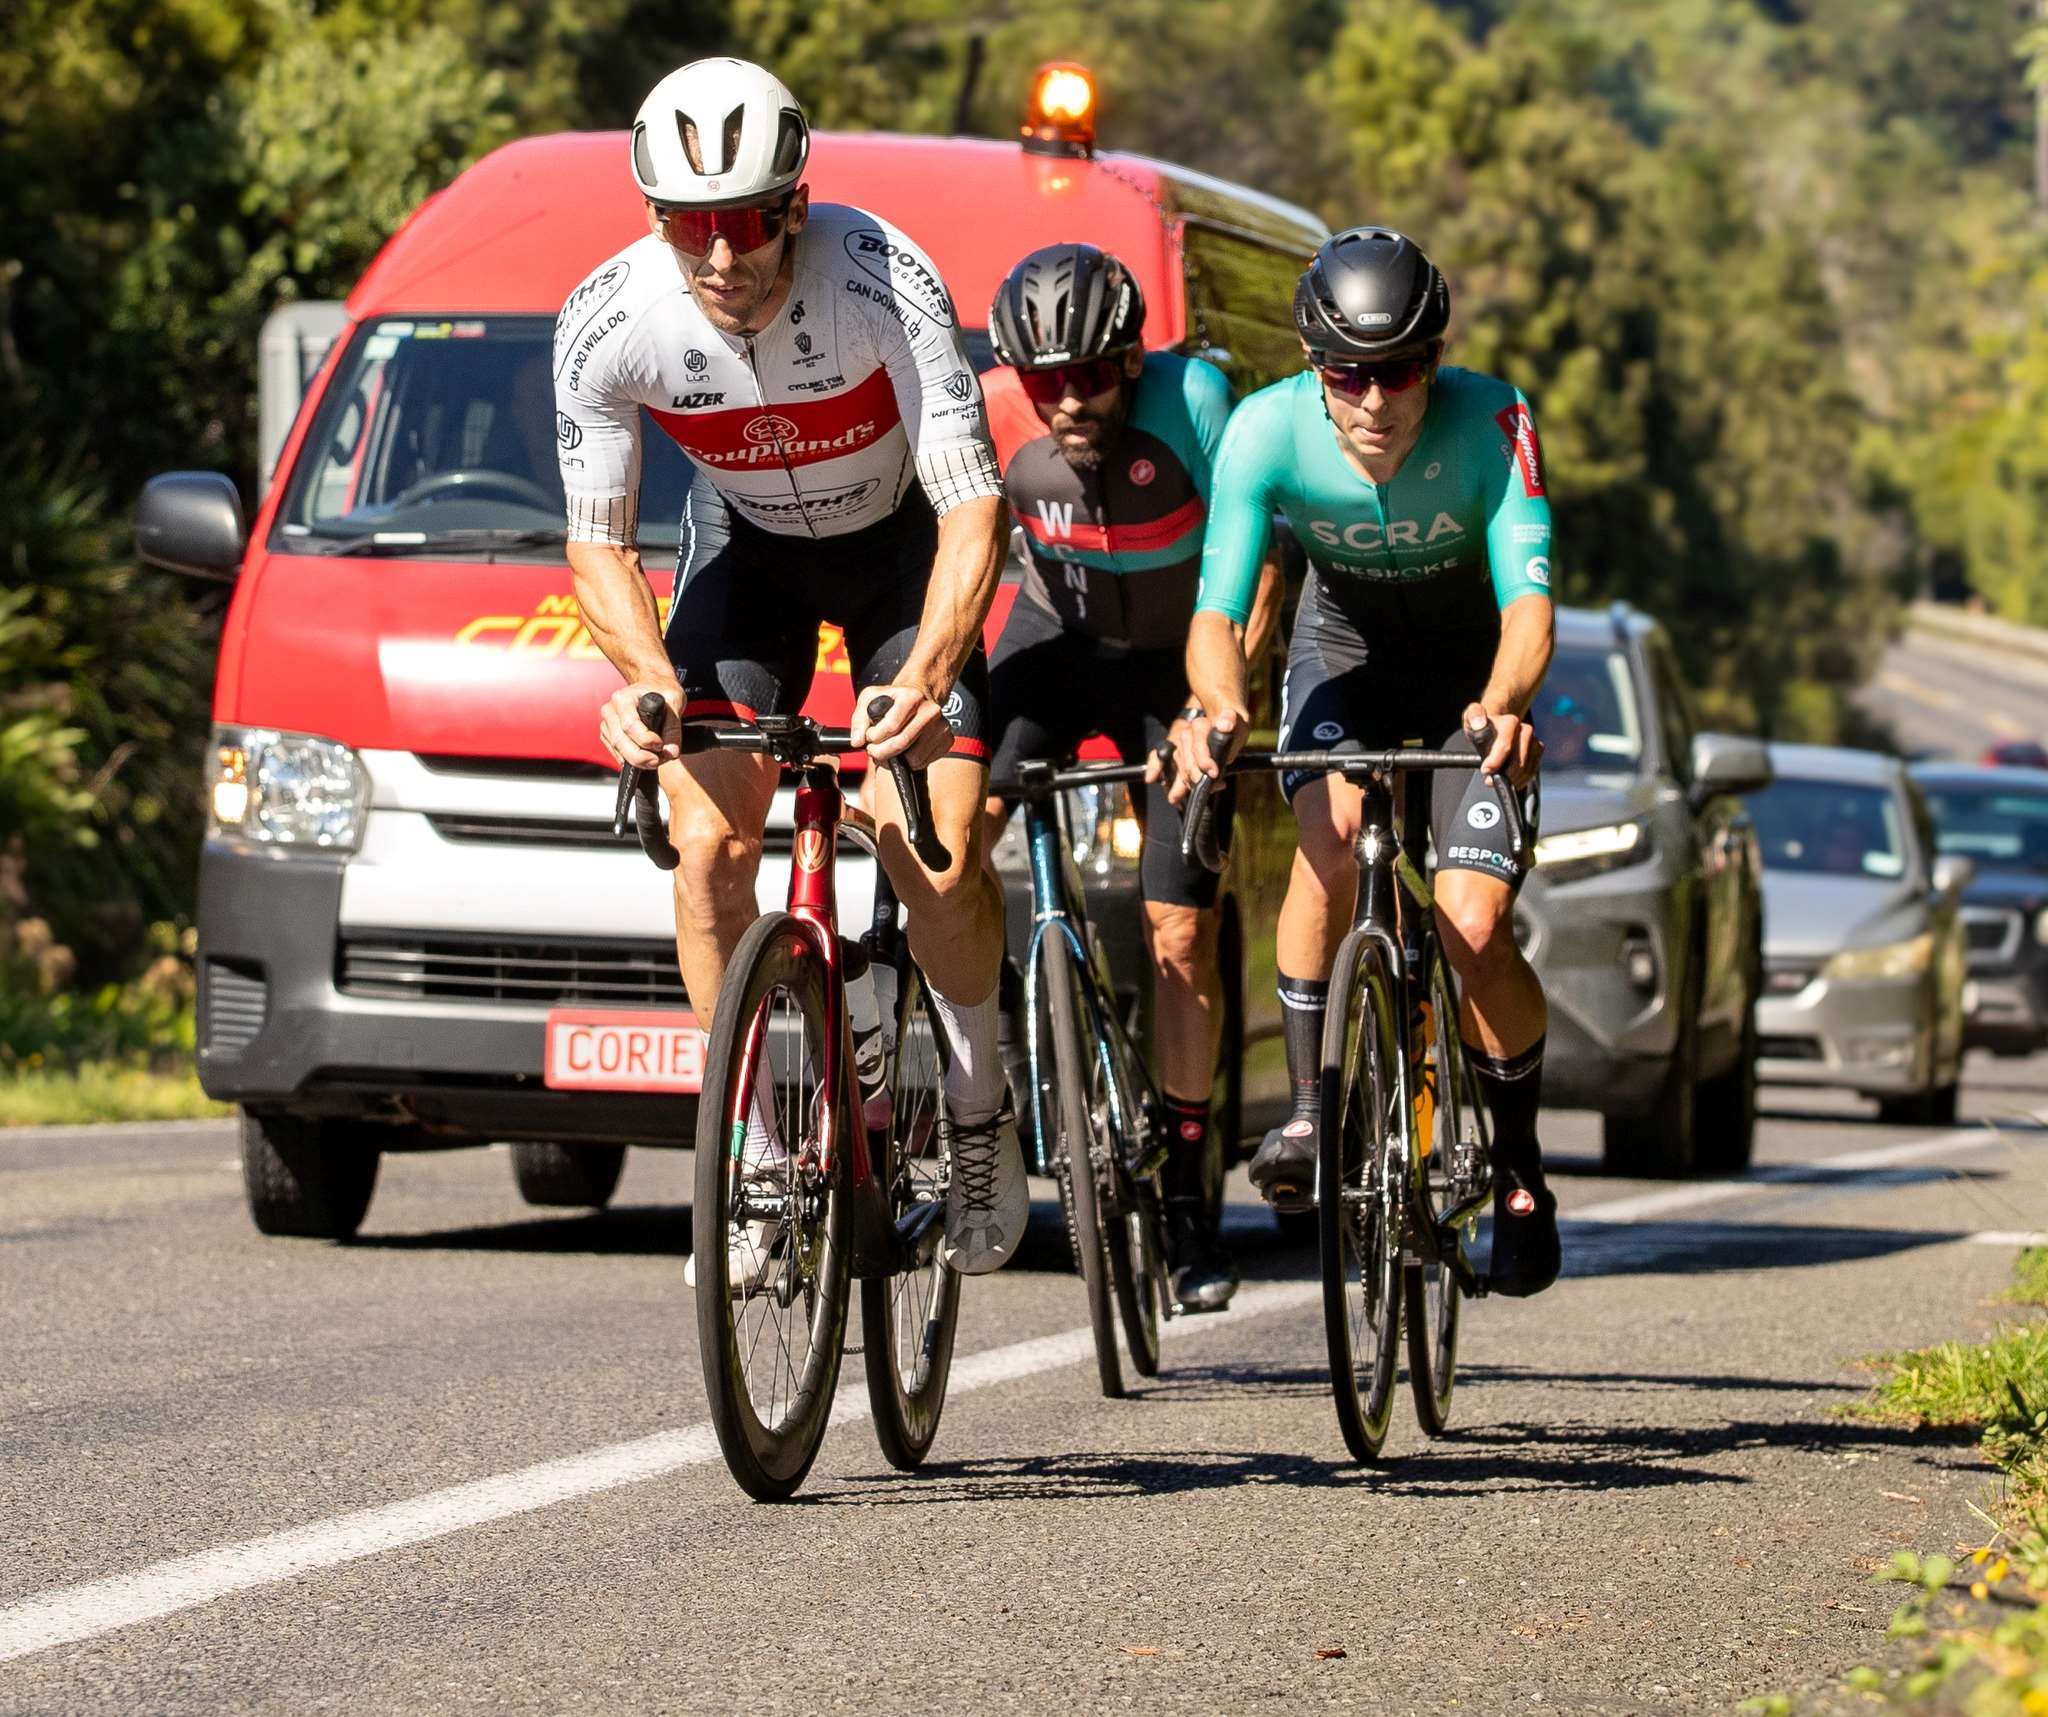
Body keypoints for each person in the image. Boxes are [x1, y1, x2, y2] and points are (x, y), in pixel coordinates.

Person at [556, 58, 1024, 1281]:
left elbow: (972, 508)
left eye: (749, 222)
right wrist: (645, 682)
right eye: (688, 226)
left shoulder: (884, 277)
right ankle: (757, 1156)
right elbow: (598, 543)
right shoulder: (606, 320)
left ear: (796, 204)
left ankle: (977, 1113)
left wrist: (927, 671)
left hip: (898, 552)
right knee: (705, 843)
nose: (720, 255)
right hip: (747, 550)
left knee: (934, 849)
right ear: (652, 217)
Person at [1175, 226, 1561, 1298]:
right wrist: (1217, 707)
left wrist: (1502, 706)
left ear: (1434, 361)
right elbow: (1217, 613)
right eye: (1348, 375)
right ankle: (1311, 1109)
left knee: (1472, 923)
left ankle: (1519, 1168)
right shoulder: (1263, 429)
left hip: (1470, 671)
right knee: (1333, 837)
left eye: (1399, 371)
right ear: (1314, 366)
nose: (1376, 400)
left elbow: (1529, 609)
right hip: (1342, 651)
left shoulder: (1496, 420)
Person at [979, 243, 1281, 1313]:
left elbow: (1261, 556)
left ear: (1132, 360)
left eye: (1091, 374)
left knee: (1179, 932)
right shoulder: (993, 413)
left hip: (1175, 658)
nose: (1068, 399)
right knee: (947, 832)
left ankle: (1187, 1200)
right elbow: (959, 556)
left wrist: (1216, 703)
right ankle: (975, 1083)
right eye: (1045, 379)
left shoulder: (1193, 399)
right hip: (1052, 643)